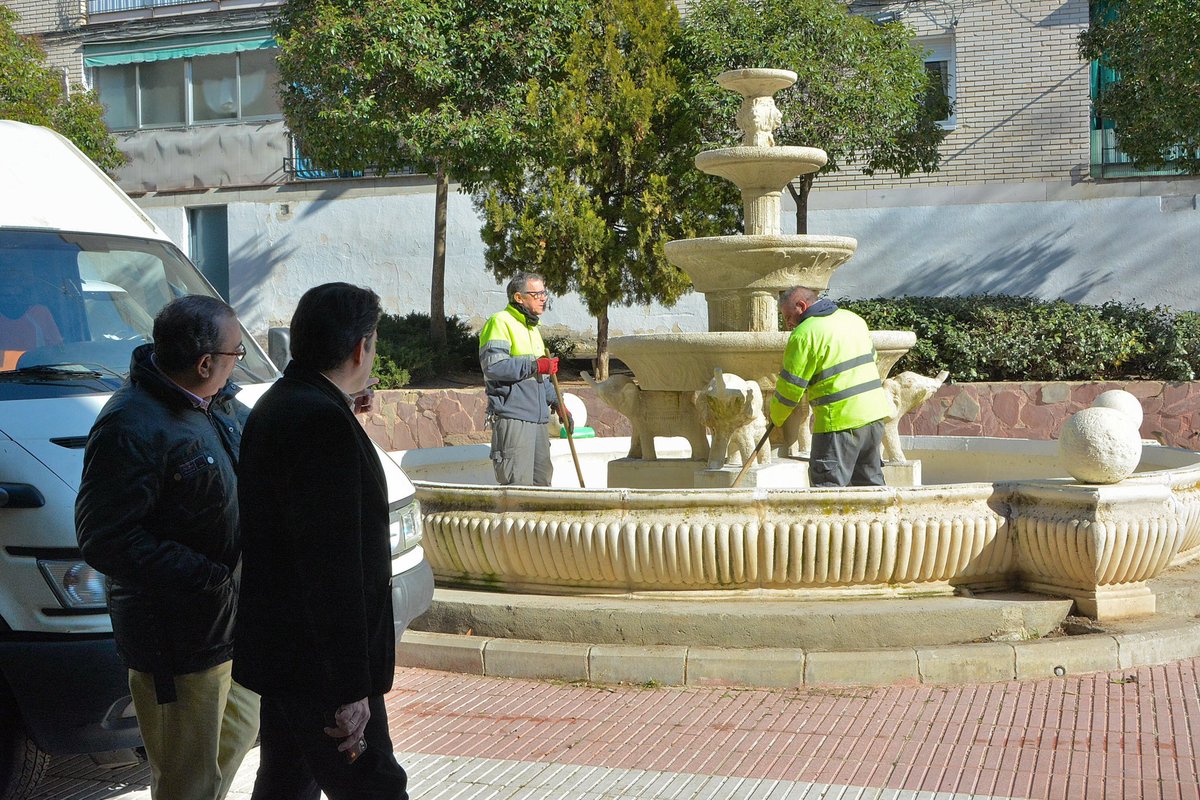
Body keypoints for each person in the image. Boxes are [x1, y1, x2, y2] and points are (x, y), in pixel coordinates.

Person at [75, 295, 259, 800]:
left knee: (232, 744)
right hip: (177, 643)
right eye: (235, 353)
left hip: (231, 627)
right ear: (205, 363)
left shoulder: (215, 405)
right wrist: (208, 576)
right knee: (187, 783)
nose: (236, 364)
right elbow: (104, 538)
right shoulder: (131, 424)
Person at [234, 282, 408, 800]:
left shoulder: (284, 403)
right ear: (362, 348)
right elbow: (331, 567)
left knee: (286, 783)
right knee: (374, 786)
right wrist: (350, 689)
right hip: (322, 668)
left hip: (288, 655)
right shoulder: (318, 422)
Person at [769, 286, 895, 487]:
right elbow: (872, 358)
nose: (789, 324)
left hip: (838, 424)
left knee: (828, 492)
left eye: (788, 317)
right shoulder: (853, 319)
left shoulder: (804, 334)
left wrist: (776, 417)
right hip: (873, 419)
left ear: (801, 306)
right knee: (870, 489)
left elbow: (790, 388)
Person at [478, 271, 570, 486]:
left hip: (538, 420)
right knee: (517, 487)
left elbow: (539, 377)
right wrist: (535, 364)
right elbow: (494, 366)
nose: (543, 298)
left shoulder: (532, 328)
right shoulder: (500, 322)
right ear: (519, 297)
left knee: (542, 485)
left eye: (544, 292)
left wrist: (558, 403)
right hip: (514, 417)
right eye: (536, 294)